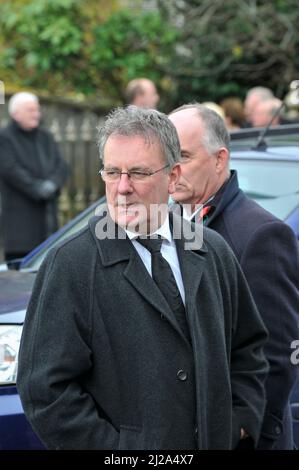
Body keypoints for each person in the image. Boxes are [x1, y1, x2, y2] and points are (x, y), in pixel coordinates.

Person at [17, 105, 268, 450]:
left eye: (138, 173)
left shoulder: (212, 250)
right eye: (112, 172)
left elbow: (248, 349)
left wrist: (236, 423)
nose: (122, 188)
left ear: (174, 176)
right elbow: (45, 391)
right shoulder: (71, 263)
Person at [168, 103, 299, 449]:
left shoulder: (261, 233)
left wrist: (243, 427)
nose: (173, 169)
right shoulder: (160, 225)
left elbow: (277, 352)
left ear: (219, 158)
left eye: (183, 155)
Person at [0, 92, 68, 260]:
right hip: (20, 226)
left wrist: (52, 184)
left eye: (37, 110)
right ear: (16, 113)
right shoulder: (5, 137)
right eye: (30, 110)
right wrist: (37, 188)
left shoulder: (46, 136)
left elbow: (62, 166)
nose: (36, 114)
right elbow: (10, 169)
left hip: (48, 221)